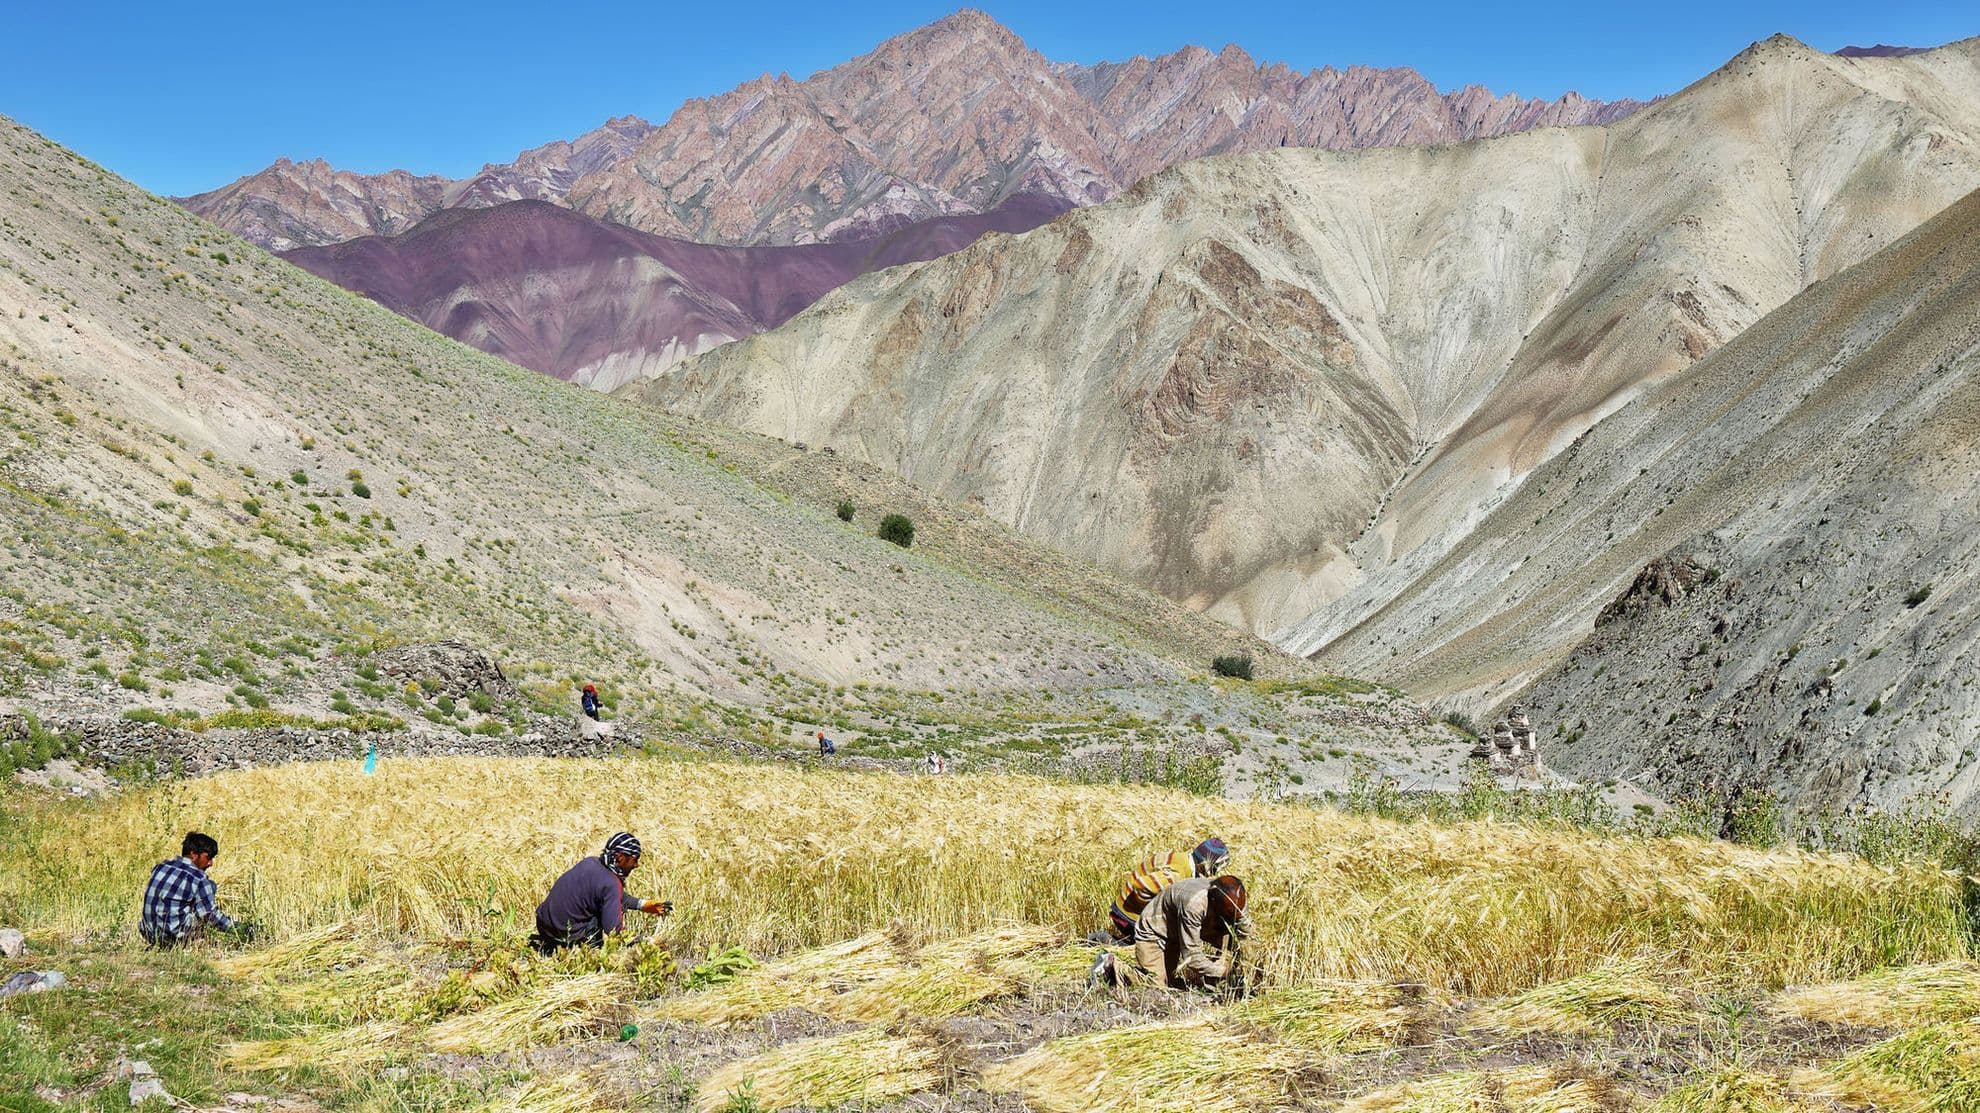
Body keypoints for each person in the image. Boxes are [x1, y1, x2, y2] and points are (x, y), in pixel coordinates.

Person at [1093, 875, 1251, 990]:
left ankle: (1215, 985)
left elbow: (1247, 933)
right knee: (1156, 985)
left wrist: (1248, 963)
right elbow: (1192, 958)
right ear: (1213, 902)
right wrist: (1223, 971)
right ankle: (1112, 964)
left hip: (1184, 927)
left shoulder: (1236, 901)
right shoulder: (1194, 905)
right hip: (1156, 933)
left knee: (1227, 933)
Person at [532, 832, 671, 952]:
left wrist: (643, 905)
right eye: (634, 860)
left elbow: (608, 894)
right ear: (621, 858)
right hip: (566, 937)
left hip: (544, 928)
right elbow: (614, 932)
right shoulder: (611, 883)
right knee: (600, 917)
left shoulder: (590, 862)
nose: (636, 865)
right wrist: (647, 941)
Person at [1098, 837, 1231, 942]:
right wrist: (1153, 915)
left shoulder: (1183, 860)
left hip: (1125, 907)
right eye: (1216, 868)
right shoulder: (1177, 874)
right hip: (1128, 915)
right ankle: (1104, 941)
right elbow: (1141, 886)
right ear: (1207, 866)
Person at [140, 832, 248, 947]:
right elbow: (210, 916)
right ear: (194, 854)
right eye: (208, 857)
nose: (211, 863)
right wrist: (238, 929)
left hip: (149, 933)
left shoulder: (161, 867)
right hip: (173, 937)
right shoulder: (198, 878)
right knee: (207, 893)